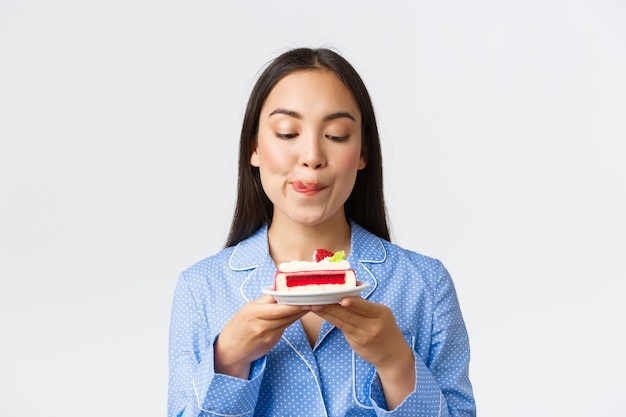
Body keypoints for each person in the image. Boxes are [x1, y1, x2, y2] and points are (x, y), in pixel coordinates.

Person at [168, 47, 476, 417]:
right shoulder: (201, 289)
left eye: (337, 134)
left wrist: (396, 364)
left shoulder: (425, 284)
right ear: (254, 148)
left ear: (363, 152)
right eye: (287, 133)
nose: (311, 155)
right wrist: (229, 361)